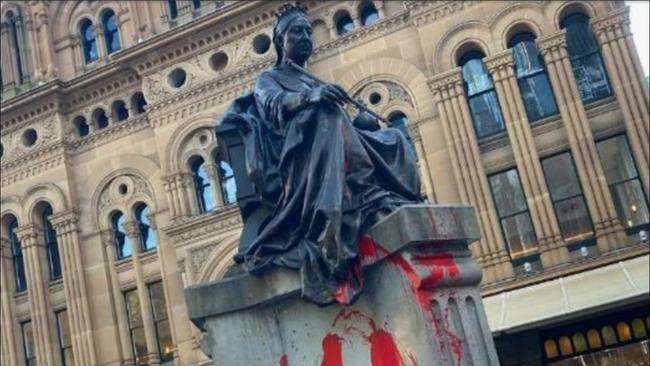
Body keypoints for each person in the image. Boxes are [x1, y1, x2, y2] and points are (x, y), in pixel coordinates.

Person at [219, 3, 422, 305]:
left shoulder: (313, 78)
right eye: (295, 31)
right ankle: (330, 219)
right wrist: (312, 98)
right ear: (280, 41)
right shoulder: (269, 78)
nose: (303, 36)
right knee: (326, 116)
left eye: (307, 31)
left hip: (332, 149)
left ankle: (375, 194)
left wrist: (357, 121)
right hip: (297, 160)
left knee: (392, 135)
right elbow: (274, 104)